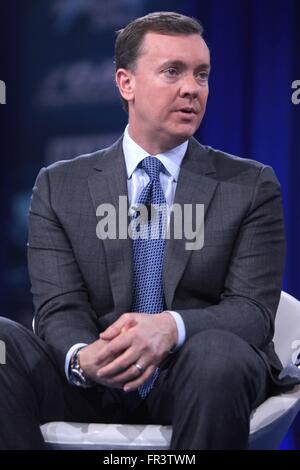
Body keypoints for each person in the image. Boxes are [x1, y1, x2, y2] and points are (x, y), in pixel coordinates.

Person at [0, 11, 298, 450]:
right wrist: (84, 359)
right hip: (94, 384)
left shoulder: (250, 185)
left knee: (217, 355)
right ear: (126, 84)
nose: (192, 88)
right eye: (172, 72)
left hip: (197, 374)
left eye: (202, 74)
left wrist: (171, 328)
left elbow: (252, 311)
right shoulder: (59, 185)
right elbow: (59, 307)